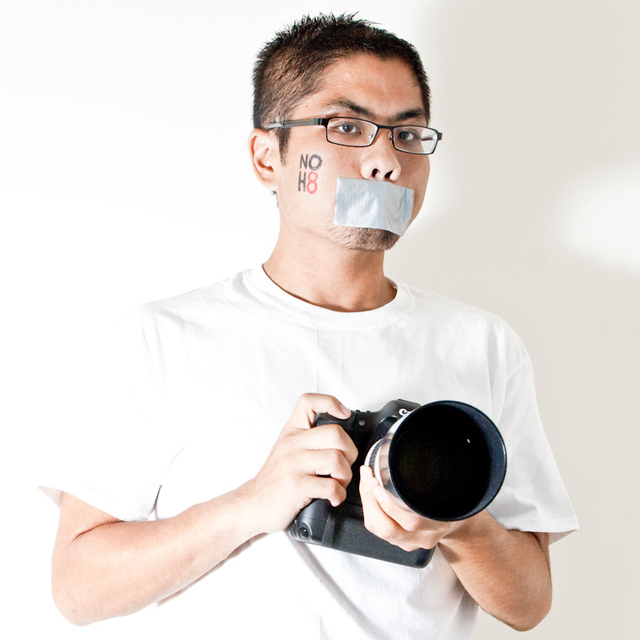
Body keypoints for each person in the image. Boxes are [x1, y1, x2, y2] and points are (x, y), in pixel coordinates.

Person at [44, 14, 577, 639]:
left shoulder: (481, 344)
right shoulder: (164, 337)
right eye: (347, 127)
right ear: (268, 156)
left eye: (408, 134)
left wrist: (458, 524)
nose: (384, 161)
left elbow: (529, 603)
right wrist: (252, 503)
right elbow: (77, 589)